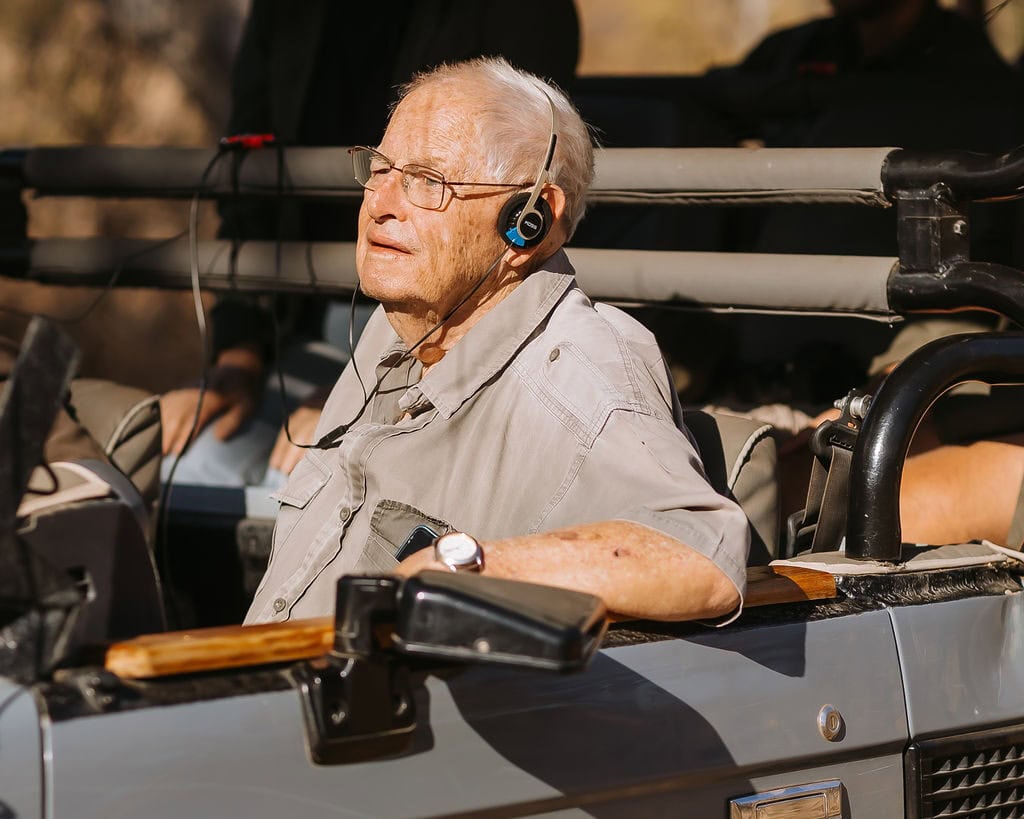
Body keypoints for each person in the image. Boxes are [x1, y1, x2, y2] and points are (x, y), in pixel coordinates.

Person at [245, 58, 749, 625]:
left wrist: (464, 566)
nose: (380, 204)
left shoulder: (577, 367)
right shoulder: (400, 327)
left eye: (426, 181)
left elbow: (700, 554)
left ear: (527, 222)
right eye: (380, 168)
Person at [160, 0, 581, 486]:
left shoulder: (524, 14)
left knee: (315, 476)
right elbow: (247, 183)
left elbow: (507, 220)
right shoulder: (286, 12)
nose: (378, 197)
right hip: (296, 321)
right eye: (375, 169)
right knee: (188, 466)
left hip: (437, 335)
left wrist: (374, 385)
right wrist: (239, 349)